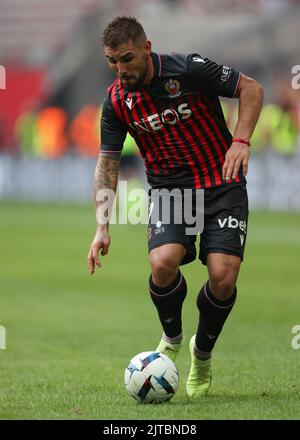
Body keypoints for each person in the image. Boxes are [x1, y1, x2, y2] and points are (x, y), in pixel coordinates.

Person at [87, 16, 263, 398]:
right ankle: (172, 336)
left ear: (147, 49)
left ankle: (202, 354)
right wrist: (102, 226)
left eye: (127, 59)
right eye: (112, 62)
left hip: (222, 183)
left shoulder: (187, 69)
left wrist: (242, 140)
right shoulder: (116, 101)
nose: (121, 69)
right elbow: (107, 163)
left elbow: (250, 89)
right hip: (171, 191)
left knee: (223, 275)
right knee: (162, 262)